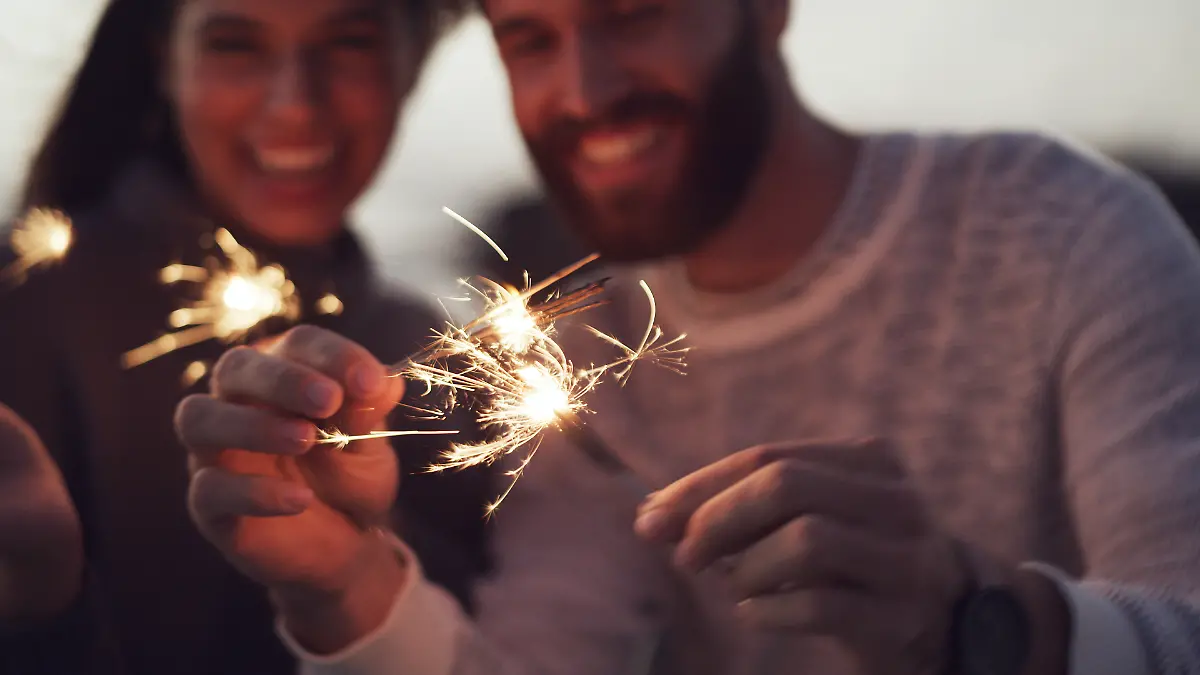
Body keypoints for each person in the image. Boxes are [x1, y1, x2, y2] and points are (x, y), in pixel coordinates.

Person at [176, 0, 1200, 673]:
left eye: (634, 13)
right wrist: (344, 588)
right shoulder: (590, 348)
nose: (585, 91)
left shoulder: (1067, 230)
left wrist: (975, 618)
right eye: (530, 40)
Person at [0, 0, 493, 674]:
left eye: (348, 43)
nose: (295, 104)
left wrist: (372, 566)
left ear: (411, 62)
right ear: (163, 60)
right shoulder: (22, 305)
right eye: (235, 45)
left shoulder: (443, 365)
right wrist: (39, 614)